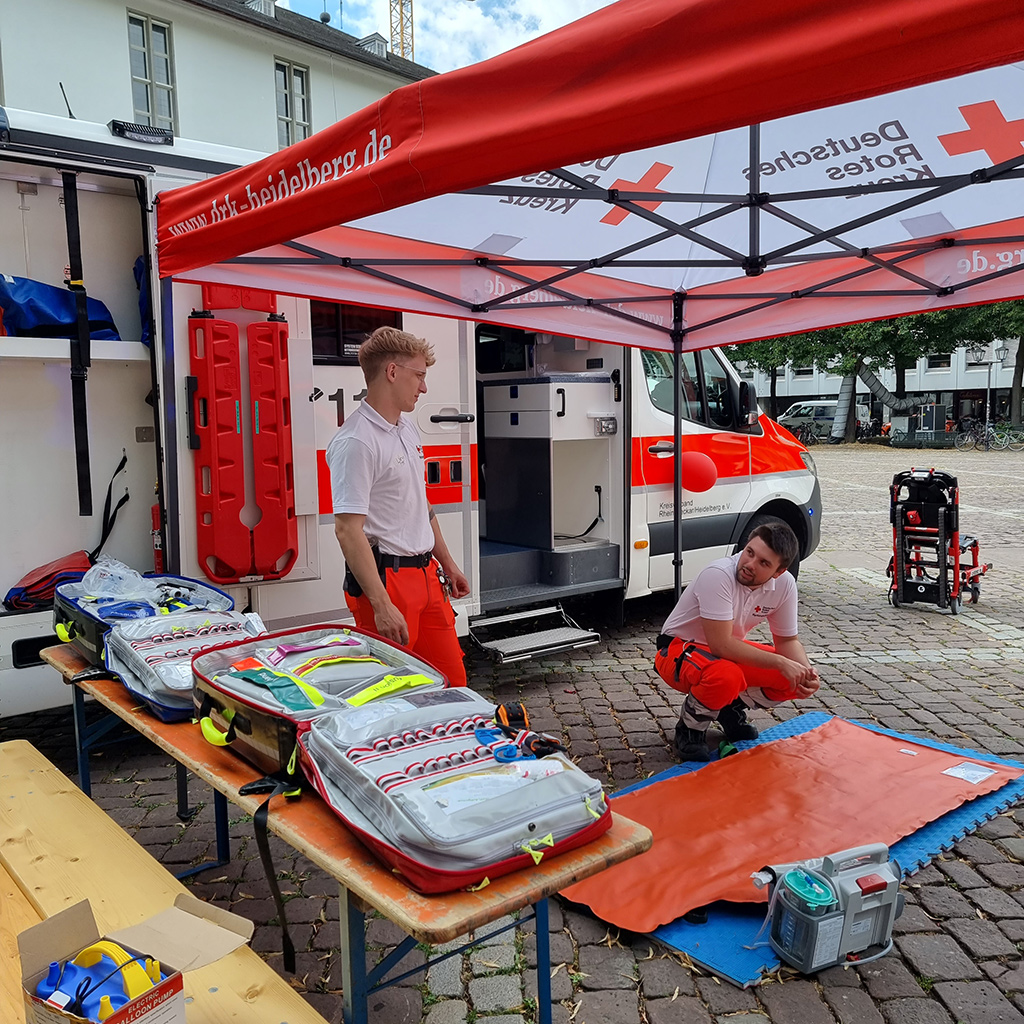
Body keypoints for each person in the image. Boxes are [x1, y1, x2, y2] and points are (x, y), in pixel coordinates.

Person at [326, 326, 470, 686]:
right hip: (388, 582)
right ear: (392, 372)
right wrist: (380, 604)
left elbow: (421, 504)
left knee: (453, 683)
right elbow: (347, 529)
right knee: (395, 693)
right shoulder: (356, 441)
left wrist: (448, 564)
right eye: (419, 375)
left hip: (426, 578)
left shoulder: (406, 428)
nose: (424, 387)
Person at [654, 519, 820, 761]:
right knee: (727, 676)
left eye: (763, 563)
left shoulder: (785, 585)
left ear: (779, 572)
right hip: (677, 650)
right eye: (749, 552)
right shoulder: (718, 574)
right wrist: (782, 663)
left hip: (723, 654)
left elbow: (788, 641)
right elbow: (721, 645)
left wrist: (806, 673)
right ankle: (690, 728)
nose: (749, 564)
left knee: (792, 679)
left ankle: (728, 709)